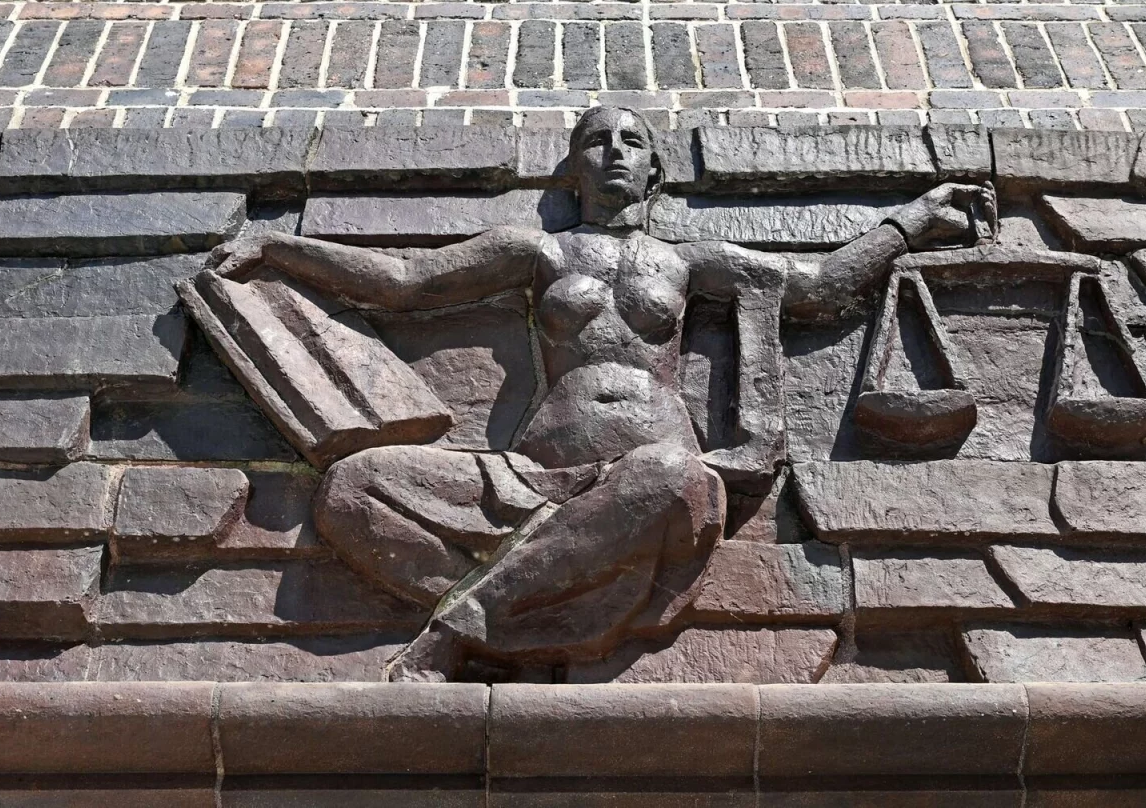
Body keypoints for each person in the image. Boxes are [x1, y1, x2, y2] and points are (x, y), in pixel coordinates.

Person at [207, 106, 995, 680]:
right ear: (573, 171)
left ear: (655, 171)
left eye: (632, 141)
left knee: (670, 475)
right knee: (354, 487)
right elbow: (407, 282)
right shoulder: (538, 254)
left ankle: (460, 628)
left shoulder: (689, 262)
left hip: (657, 480)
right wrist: (280, 247)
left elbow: (818, 284)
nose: (615, 152)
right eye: (596, 140)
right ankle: (549, 590)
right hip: (533, 477)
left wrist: (910, 223)